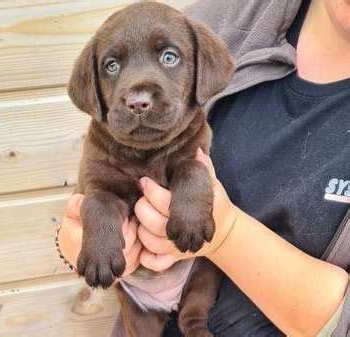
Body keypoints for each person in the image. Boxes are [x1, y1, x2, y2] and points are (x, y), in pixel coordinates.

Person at [57, 0, 350, 335]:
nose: (138, 96)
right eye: (112, 66)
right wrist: (77, 240)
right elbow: (92, 200)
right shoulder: (228, 15)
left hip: (204, 298)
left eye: (169, 58)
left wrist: (225, 236)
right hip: (143, 309)